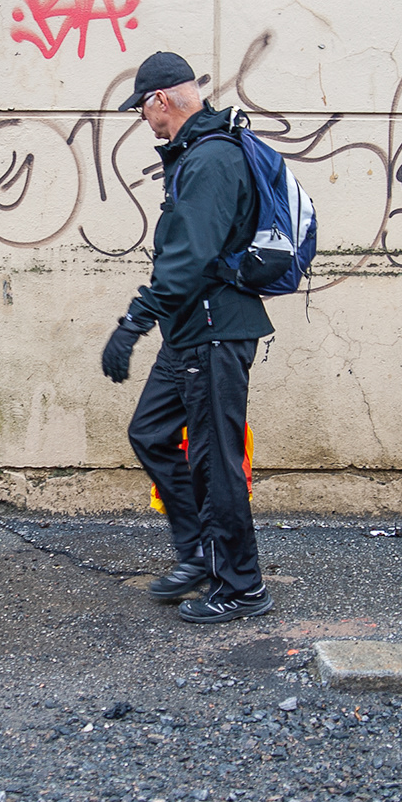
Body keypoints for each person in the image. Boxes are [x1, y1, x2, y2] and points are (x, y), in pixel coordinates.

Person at [101, 51, 275, 623]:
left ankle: (242, 586)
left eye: (142, 108)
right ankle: (199, 550)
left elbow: (189, 258)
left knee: (214, 461)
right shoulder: (197, 153)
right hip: (191, 331)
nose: (143, 119)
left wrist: (134, 321)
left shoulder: (211, 158)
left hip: (214, 332)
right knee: (151, 433)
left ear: (160, 100)